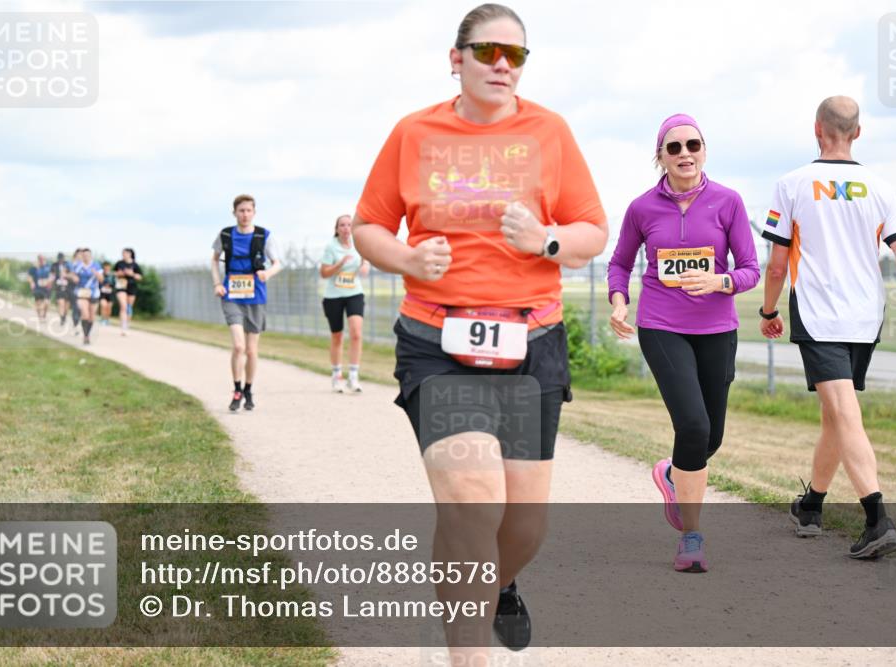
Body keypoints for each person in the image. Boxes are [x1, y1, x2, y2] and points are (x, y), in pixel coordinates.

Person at [352, 4, 607, 657]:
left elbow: (591, 232)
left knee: (522, 524)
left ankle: (496, 583)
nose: (502, 65)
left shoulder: (550, 131)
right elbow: (370, 226)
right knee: (471, 499)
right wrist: (407, 259)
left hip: (532, 341)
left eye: (516, 55)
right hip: (439, 340)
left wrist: (547, 238)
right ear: (456, 57)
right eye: (489, 51)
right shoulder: (414, 133)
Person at [760, 95, 896, 558]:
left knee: (843, 413)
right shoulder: (879, 187)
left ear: (817, 130)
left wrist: (768, 311)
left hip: (819, 314)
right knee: (835, 414)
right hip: (866, 317)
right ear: (857, 133)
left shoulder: (792, 184)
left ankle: (877, 517)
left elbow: (778, 266)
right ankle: (812, 507)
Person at [608, 114, 760, 573]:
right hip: (661, 324)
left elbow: (751, 268)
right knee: (692, 426)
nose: (685, 154)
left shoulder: (727, 202)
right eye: (674, 148)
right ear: (661, 157)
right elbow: (619, 264)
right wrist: (619, 302)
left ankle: (673, 475)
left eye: (693, 145)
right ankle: (691, 539)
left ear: (704, 150)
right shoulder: (641, 208)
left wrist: (721, 281)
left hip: (717, 328)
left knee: (710, 436)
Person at [211, 194, 282, 411]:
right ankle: (237, 389)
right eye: (241, 210)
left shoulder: (264, 235)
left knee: (251, 350)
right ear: (234, 213)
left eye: (248, 210)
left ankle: (249, 389)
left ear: (254, 212)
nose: (244, 214)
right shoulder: (225, 235)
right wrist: (217, 284)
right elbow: (214, 260)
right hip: (231, 294)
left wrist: (267, 273)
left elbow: (277, 263)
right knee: (238, 346)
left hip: (256, 296)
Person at [320, 214, 370, 393]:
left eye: (349, 225)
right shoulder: (331, 248)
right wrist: (339, 264)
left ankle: (354, 376)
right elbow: (324, 273)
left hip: (354, 293)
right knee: (337, 336)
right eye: (342, 225)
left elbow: (365, 261)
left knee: (356, 332)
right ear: (337, 229)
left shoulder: (359, 245)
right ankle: (336, 375)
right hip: (334, 296)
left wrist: (365, 266)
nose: (346, 228)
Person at [70, 248, 103, 345]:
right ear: (82, 256)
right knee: (85, 314)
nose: (86, 257)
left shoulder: (96, 265)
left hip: (93, 293)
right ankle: (85, 336)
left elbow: (101, 280)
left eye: (88, 255)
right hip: (81, 292)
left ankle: (87, 334)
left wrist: (96, 273)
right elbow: (72, 275)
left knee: (92, 317)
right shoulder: (77, 265)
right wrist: (74, 278)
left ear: (91, 256)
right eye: (84, 255)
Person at [113, 248, 144, 336]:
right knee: (124, 306)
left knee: (129, 307)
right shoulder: (119, 263)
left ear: (130, 254)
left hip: (131, 286)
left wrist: (132, 274)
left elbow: (140, 277)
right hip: (121, 286)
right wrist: (120, 274)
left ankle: (127, 324)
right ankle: (123, 327)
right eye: (123, 253)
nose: (124, 255)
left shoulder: (135, 265)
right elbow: (113, 273)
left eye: (126, 253)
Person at [27, 254, 53, 321]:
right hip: (37, 288)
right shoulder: (34, 268)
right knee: (38, 303)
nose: (41, 261)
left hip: (46, 288)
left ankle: (44, 315)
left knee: (47, 303)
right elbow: (29, 277)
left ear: (44, 260)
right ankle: (39, 316)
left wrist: (49, 281)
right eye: (40, 259)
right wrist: (31, 283)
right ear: (38, 260)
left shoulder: (48, 267)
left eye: (42, 259)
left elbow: (52, 276)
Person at [51, 252, 74, 326]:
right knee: (61, 303)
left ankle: (64, 316)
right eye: (59, 259)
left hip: (67, 287)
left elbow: (72, 274)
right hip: (58, 287)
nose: (60, 260)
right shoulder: (54, 265)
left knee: (67, 305)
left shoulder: (68, 264)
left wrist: (66, 275)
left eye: (62, 258)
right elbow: (52, 275)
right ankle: (61, 318)